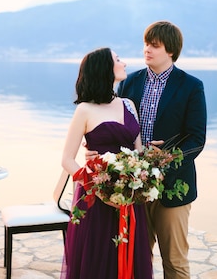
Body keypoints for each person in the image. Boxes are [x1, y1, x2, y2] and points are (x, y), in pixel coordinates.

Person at [89, 21, 207, 279]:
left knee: (174, 261)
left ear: (171, 51)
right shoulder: (129, 83)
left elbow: (197, 139)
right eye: (146, 43)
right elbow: (116, 126)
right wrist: (96, 152)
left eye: (154, 45)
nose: (147, 49)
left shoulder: (191, 86)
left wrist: (166, 160)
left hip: (173, 187)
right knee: (136, 258)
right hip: (133, 186)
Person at [61, 47, 153, 279]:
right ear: (104, 68)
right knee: (99, 261)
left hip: (130, 197)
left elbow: (138, 153)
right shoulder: (85, 110)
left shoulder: (129, 105)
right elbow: (67, 160)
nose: (124, 63)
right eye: (118, 59)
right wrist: (98, 187)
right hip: (96, 199)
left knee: (131, 259)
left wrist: (140, 177)